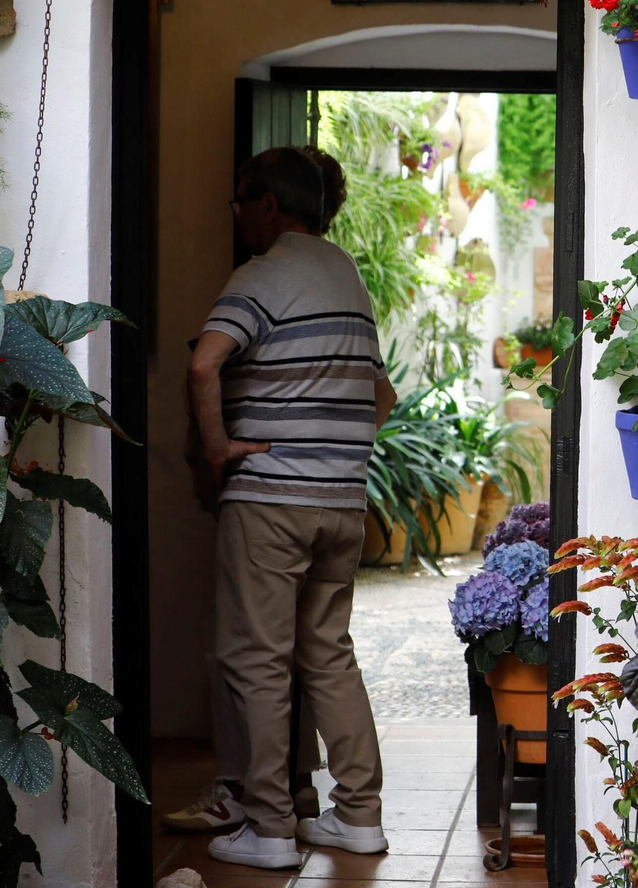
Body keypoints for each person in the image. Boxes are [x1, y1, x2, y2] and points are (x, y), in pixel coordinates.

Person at [186, 146, 395, 870]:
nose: (240, 216)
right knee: (328, 654)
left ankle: (271, 827)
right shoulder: (346, 274)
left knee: (258, 660)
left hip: (271, 498)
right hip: (341, 502)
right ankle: (359, 817)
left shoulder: (263, 272)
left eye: (243, 203)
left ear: (268, 206)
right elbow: (383, 394)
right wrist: (336, 452)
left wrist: (218, 448)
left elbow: (204, 360)